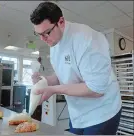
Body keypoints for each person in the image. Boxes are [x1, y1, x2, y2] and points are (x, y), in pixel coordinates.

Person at [30, 2, 122, 135]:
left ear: (61, 22)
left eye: (46, 33)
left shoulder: (87, 40)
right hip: (77, 115)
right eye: (38, 34)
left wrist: (54, 90)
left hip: (102, 113)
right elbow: (62, 75)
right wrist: (44, 81)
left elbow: (96, 89)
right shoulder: (54, 42)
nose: (43, 39)